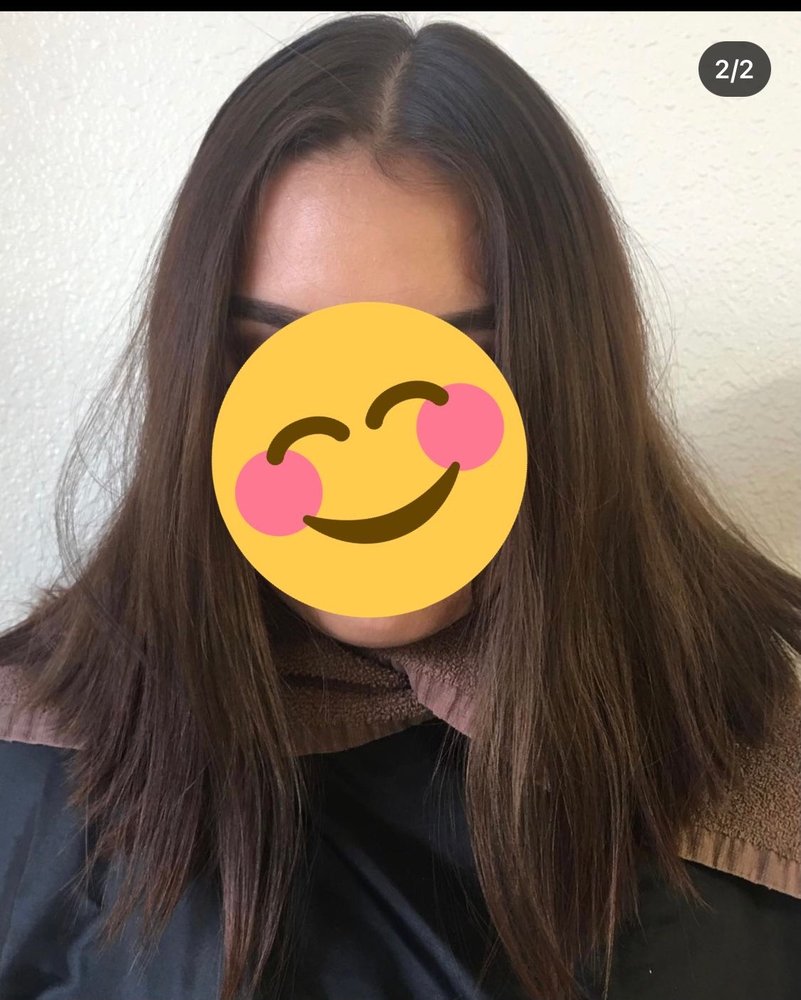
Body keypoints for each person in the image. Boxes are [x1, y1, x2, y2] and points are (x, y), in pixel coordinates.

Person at [1, 12, 800, 1000]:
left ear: (568, 371)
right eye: (276, 352)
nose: (363, 462)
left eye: (456, 352)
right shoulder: (36, 750)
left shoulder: (752, 751)